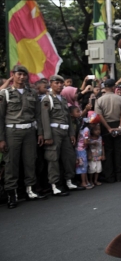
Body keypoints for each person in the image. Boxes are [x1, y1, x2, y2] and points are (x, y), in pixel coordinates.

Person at [0, 65, 46, 208]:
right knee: (11, 163)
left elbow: (38, 115)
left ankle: (30, 190)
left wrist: (40, 133)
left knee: (30, 161)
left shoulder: (32, 93)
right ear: (13, 75)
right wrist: (1, 139)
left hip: (30, 131)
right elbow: (0, 117)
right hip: (12, 131)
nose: (22, 77)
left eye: (24, 74)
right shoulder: (5, 93)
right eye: (19, 74)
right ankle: (11, 194)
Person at [41, 75, 84, 196]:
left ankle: (69, 181)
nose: (60, 85)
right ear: (51, 84)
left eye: (61, 83)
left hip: (65, 131)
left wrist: (71, 133)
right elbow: (45, 118)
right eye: (56, 83)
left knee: (69, 157)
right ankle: (55, 185)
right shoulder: (47, 99)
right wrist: (47, 136)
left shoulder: (63, 99)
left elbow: (68, 119)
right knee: (53, 158)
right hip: (54, 131)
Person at [94, 78, 121, 183]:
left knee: (108, 151)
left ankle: (109, 176)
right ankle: (119, 175)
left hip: (106, 126)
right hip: (118, 124)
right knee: (118, 151)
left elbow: (99, 116)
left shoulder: (99, 100)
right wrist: (120, 127)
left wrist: (108, 128)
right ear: (114, 87)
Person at [86, 114, 104, 186]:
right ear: (92, 131)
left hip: (99, 156)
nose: (98, 131)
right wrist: (89, 154)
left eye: (99, 130)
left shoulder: (100, 138)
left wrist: (103, 155)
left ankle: (96, 180)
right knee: (92, 169)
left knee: (98, 169)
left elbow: (102, 146)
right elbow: (87, 147)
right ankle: (91, 180)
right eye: (96, 130)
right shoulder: (89, 139)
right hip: (92, 156)